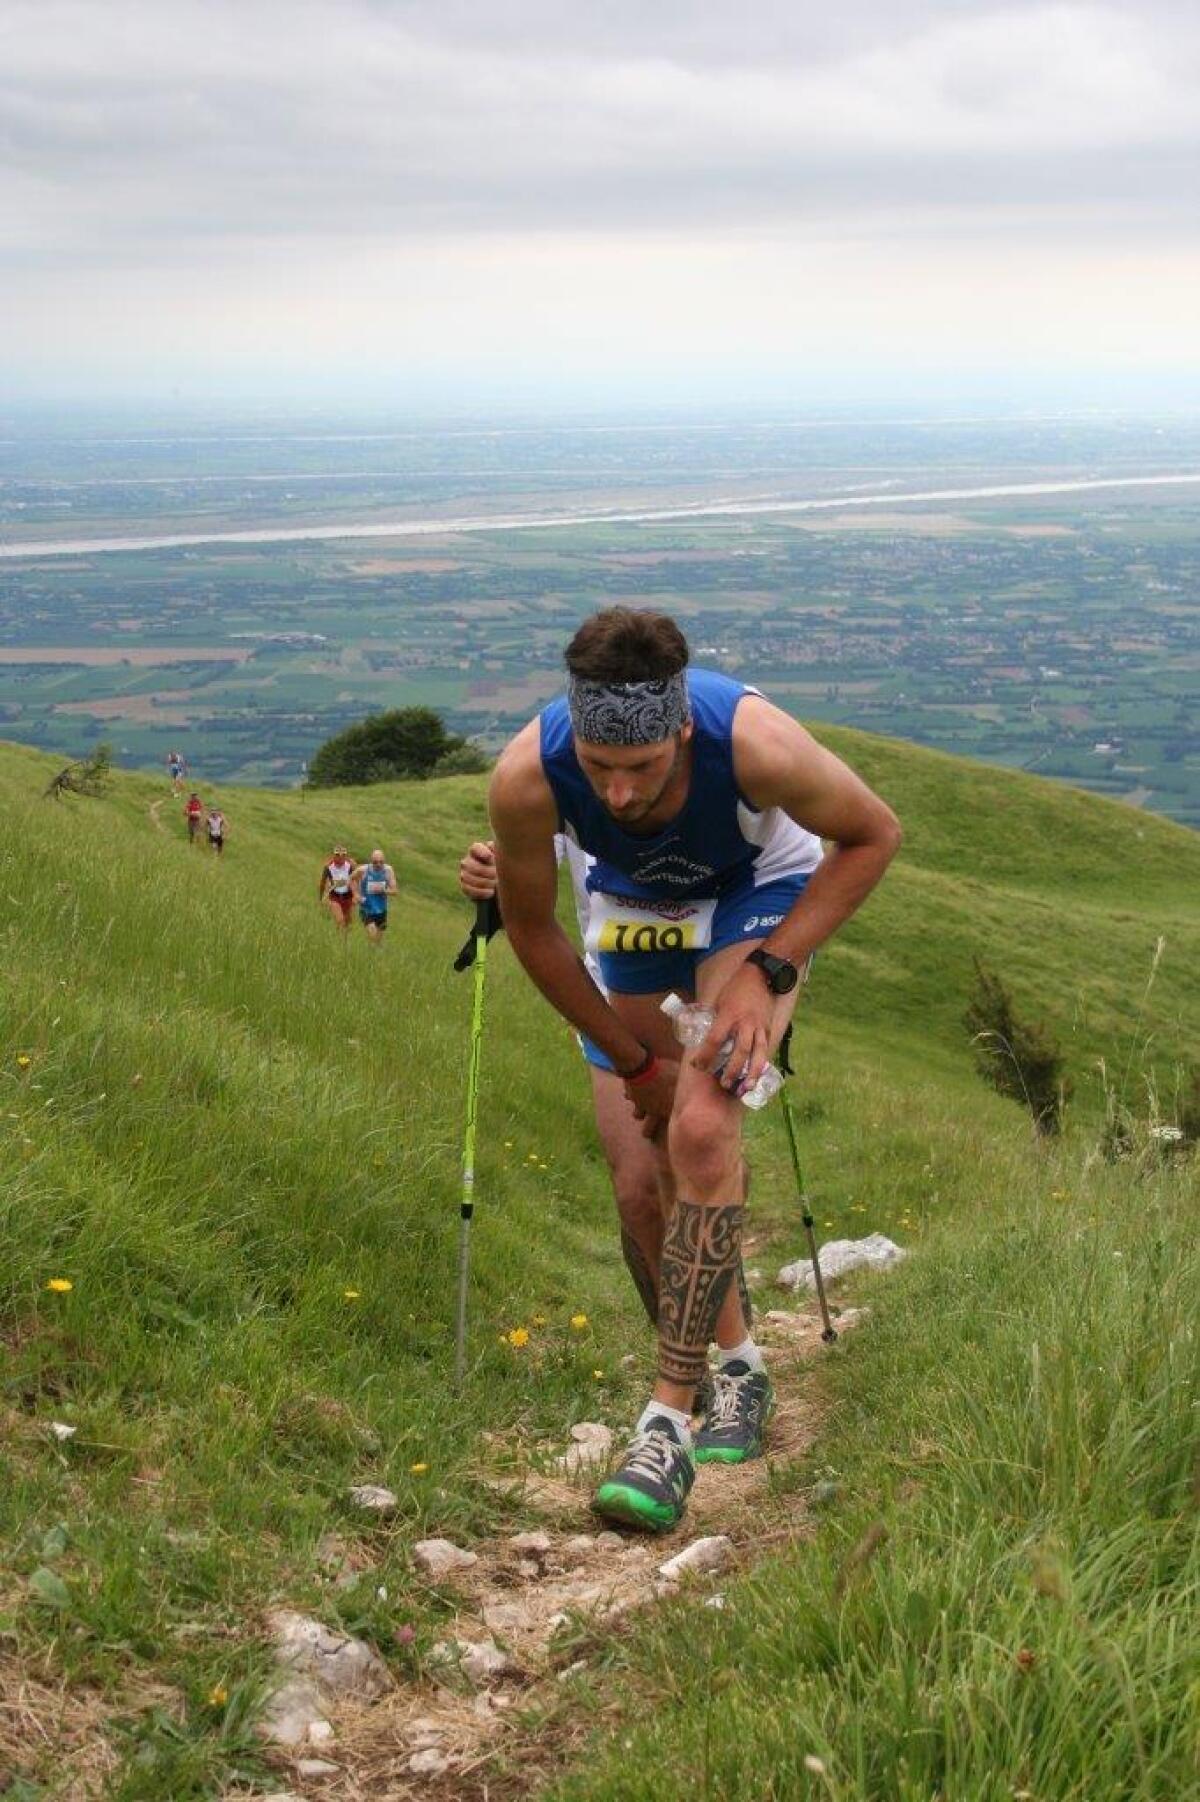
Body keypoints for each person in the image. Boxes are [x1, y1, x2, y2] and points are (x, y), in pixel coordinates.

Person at [489, 607, 901, 1531]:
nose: (620, 796)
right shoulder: (527, 776)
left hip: (754, 897)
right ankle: (742, 1366)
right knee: (641, 1184)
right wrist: (638, 1063)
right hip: (632, 912)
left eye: (640, 769)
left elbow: (873, 835)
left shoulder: (755, 744)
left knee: (704, 1125)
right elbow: (531, 928)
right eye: (600, 773)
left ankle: (667, 1422)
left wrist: (771, 972)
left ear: (682, 731)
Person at [354, 848, 397, 942]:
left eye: (381, 862)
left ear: (384, 861)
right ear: (371, 861)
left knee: (377, 942)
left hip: (381, 909)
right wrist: (356, 894)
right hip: (366, 908)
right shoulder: (363, 870)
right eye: (375, 862)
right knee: (373, 935)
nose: (378, 865)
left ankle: (371, 955)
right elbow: (351, 880)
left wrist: (383, 890)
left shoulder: (388, 870)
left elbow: (394, 891)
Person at [319, 845, 357, 930]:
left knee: (348, 923)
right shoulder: (328, 867)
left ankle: (343, 941)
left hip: (348, 897)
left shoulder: (350, 866)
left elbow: (354, 881)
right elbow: (322, 883)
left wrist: (355, 895)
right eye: (337, 855)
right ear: (333, 855)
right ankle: (340, 937)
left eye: (343, 855)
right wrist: (321, 897)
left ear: (346, 856)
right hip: (335, 896)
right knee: (340, 921)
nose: (340, 857)